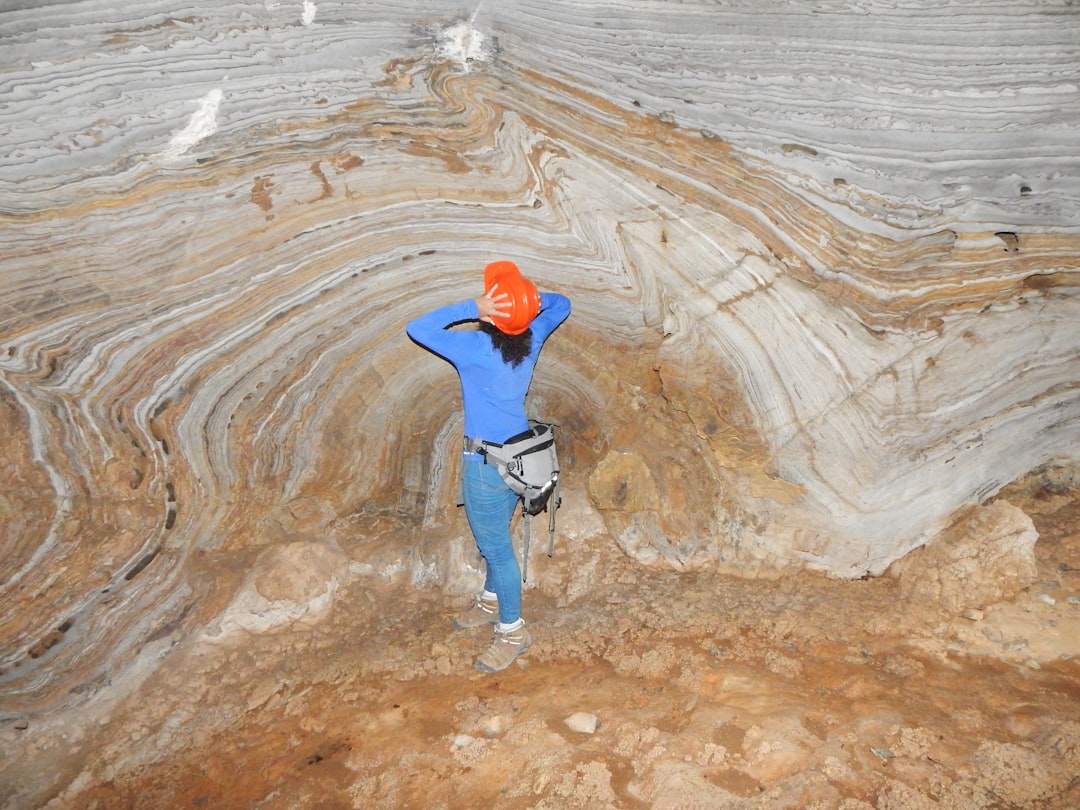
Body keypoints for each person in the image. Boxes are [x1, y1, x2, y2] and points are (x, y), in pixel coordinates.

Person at [406, 261, 571, 673]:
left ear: (493, 314)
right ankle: (491, 600)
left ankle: (513, 632)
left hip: (485, 466)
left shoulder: (476, 349)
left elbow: (419, 328)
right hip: (520, 460)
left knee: (496, 550)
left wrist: (476, 307)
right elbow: (562, 304)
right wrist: (528, 303)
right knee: (498, 540)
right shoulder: (532, 337)